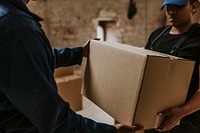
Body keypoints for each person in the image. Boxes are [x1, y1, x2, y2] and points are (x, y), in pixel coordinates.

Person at [0, 0, 142, 132]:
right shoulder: (18, 28)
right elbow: (53, 118)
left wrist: (79, 52)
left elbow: (39, 58)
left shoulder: (10, 18)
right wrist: (111, 131)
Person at [145, 0, 200, 133]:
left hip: (186, 123)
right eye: (168, 7)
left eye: (178, 7)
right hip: (151, 117)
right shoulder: (157, 35)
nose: (171, 11)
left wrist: (181, 112)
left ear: (193, 7)